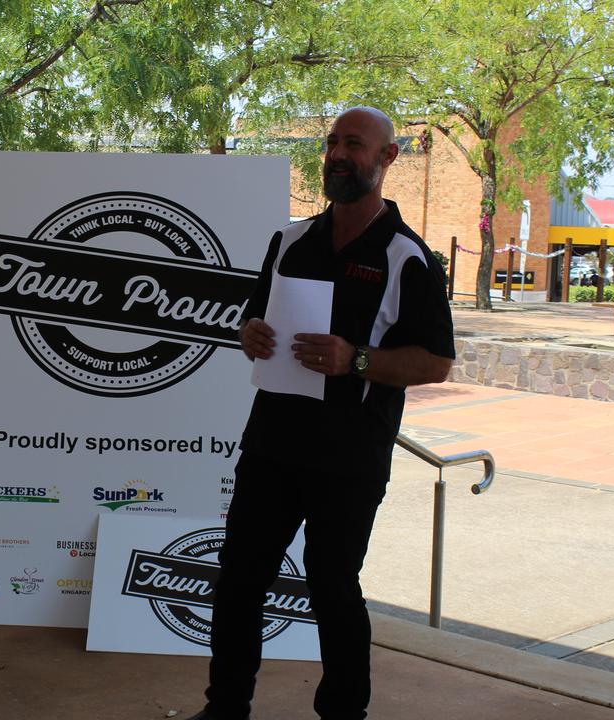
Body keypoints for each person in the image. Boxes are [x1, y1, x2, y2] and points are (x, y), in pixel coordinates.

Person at [187, 107, 455, 720]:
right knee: (238, 580)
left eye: (354, 145)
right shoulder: (288, 240)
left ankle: (342, 713)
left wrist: (356, 360)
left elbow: (436, 362)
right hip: (273, 442)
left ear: (387, 159)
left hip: (349, 455)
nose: (338, 154)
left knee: (331, 587)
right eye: (332, 143)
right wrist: (248, 334)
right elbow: (254, 321)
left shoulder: (407, 258)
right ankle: (225, 707)